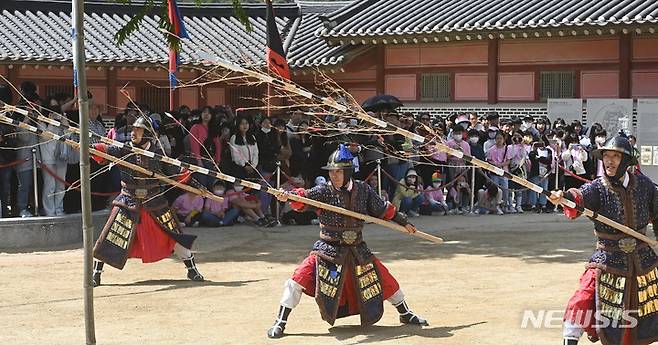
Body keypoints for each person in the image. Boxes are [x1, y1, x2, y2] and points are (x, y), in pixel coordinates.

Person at [266, 145, 427, 339]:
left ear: (348, 172)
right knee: (297, 280)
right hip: (328, 248)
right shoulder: (323, 191)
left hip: (357, 248)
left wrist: (403, 221)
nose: (334, 175)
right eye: (332, 172)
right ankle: (280, 321)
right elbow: (302, 199)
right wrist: (289, 197)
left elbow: (383, 208)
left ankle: (405, 313)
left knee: (384, 278)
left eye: (338, 172)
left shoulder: (363, 190)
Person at [549, 136, 658, 345]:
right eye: (606, 156)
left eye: (615, 156)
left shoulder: (644, 185)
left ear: (627, 161)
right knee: (581, 300)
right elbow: (577, 199)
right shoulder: (598, 187)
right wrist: (563, 197)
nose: (609, 161)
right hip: (608, 258)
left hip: (643, 259)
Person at [90, 116, 208, 287]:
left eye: (138, 130)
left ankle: (192, 270)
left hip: (154, 202)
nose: (133, 133)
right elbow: (106, 150)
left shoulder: (157, 154)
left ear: (147, 135)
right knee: (111, 236)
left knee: (174, 236)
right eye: (133, 130)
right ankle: (96, 274)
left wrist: (195, 185)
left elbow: (176, 171)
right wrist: (92, 148)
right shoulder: (124, 149)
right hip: (128, 201)